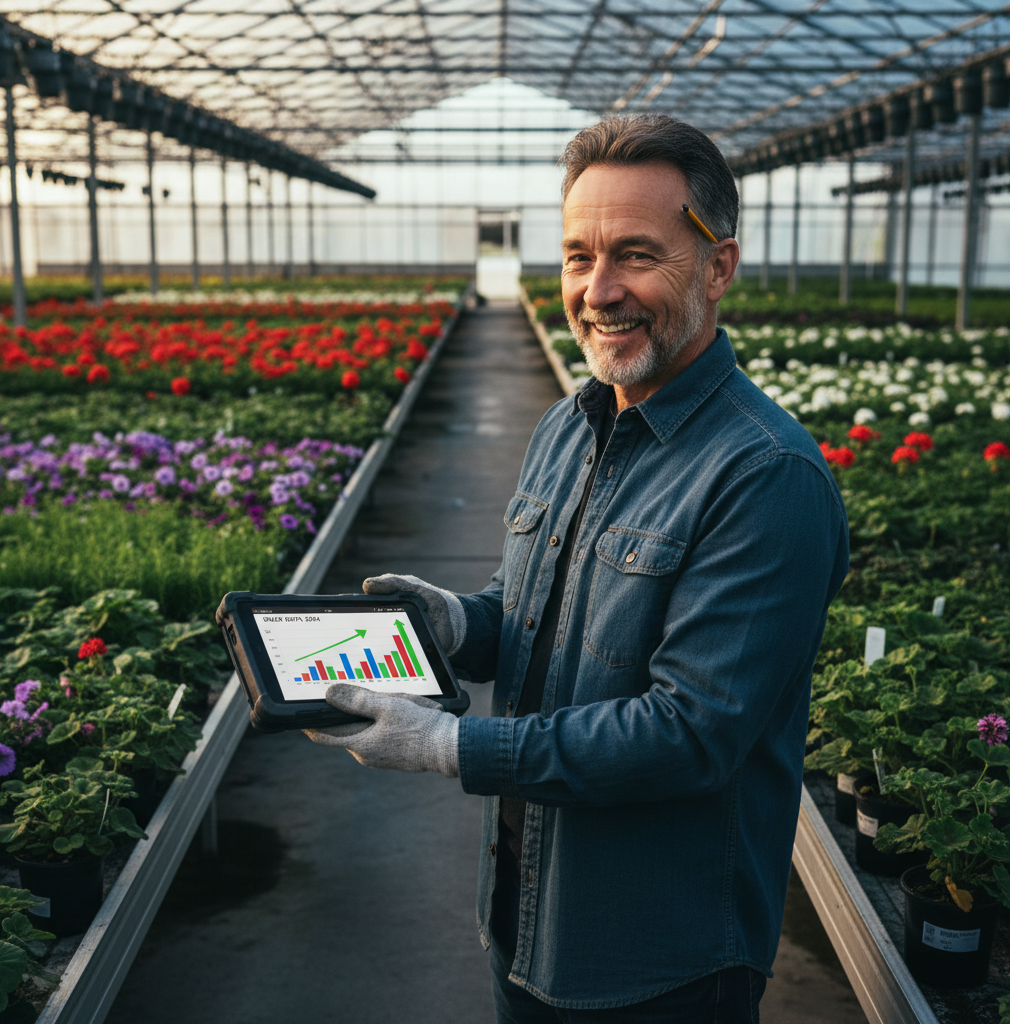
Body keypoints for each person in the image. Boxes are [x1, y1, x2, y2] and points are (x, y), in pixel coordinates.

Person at [306, 114, 849, 1023]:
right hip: (523, 916)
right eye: (577, 256)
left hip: (658, 963)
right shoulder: (571, 425)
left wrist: (450, 746)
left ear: (717, 266)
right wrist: (455, 624)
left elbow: (691, 733)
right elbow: (536, 615)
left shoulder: (766, 476)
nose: (599, 291)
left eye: (636, 254)